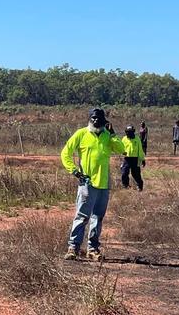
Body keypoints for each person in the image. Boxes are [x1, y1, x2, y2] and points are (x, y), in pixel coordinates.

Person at [60, 108, 124, 261]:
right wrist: (75, 171)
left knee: (98, 217)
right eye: (93, 118)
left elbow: (122, 150)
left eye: (99, 118)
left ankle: (93, 249)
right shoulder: (81, 134)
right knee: (82, 216)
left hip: (103, 183)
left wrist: (113, 134)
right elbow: (65, 153)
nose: (96, 121)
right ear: (89, 119)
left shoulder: (108, 136)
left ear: (105, 121)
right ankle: (73, 248)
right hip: (87, 183)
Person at [121, 125, 145, 191]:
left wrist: (142, 159)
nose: (128, 134)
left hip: (135, 159)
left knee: (136, 174)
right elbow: (121, 147)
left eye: (130, 132)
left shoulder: (137, 139)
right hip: (127, 159)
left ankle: (139, 186)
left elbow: (140, 150)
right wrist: (122, 152)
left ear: (133, 132)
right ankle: (125, 185)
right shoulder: (124, 139)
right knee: (124, 172)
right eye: (127, 132)